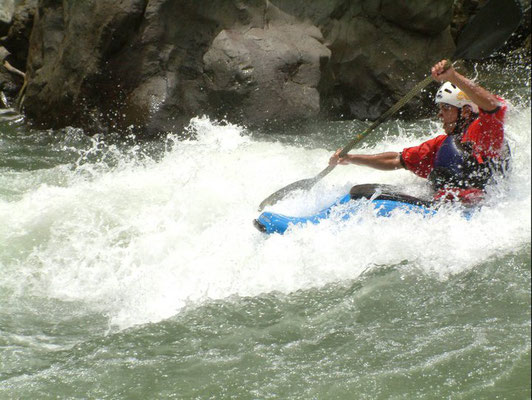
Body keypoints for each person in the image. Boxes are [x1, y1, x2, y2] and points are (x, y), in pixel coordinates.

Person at [329, 59, 510, 204]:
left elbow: (493, 106)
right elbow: (397, 160)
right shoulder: (441, 144)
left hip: (481, 206)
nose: (440, 114)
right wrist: (352, 158)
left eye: (446, 108)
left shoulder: (486, 132)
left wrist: (453, 77)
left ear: (466, 111)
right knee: (360, 192)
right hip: (446, 207)